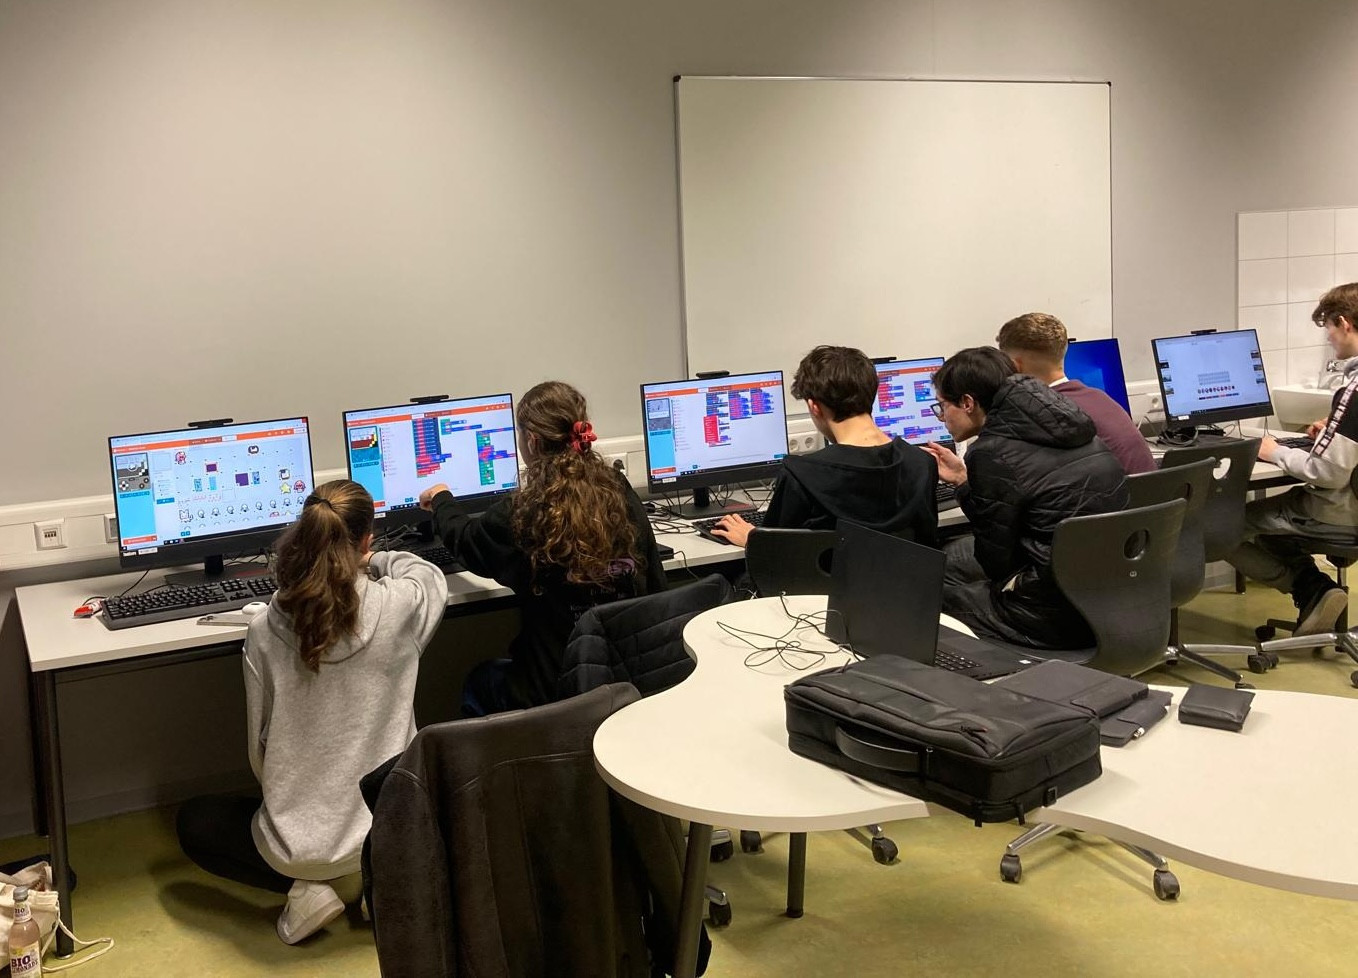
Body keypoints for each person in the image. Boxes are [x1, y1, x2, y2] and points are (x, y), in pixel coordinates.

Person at [176, 479, 448, 945]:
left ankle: (307, 890)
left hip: (295, 846)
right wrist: (378, 559)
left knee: (194, 823)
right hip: (386, 831)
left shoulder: (266, 629)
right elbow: (428, 576)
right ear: (365, 541)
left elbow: (260, 749)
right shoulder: (400, 607)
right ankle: (376, 878)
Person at [419, 380, 665, 715]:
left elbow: (467, 540)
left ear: (532, 441)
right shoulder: (618, 491)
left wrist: (441, 500)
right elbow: (654, 579)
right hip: (628, 682)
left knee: (480, 680)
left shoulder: (526, 511)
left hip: (555, 694)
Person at [923, 347, 1128, 650]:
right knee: (952, 563)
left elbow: (996, 564)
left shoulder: (992, 453)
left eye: (942, 407)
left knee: (926, 592)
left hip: (1052, 615)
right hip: (1108, 595)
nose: (942, 418)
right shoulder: (1073, 424)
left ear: (967, 403)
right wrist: (965, 482)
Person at [709, 345, 939, 548]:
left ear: (814, 407)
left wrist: (753, 539)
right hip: (903, 583)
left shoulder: (802, 475)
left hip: (827, 586)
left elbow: (776, 556)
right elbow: (927, 547)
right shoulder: (922, 463)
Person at [1228, 282, 1358, 635]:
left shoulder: (1354, 390)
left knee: (1223, 527)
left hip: (1337, 513)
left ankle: (1309, 588)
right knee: (1271, 529)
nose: (1329, 338)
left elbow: (1328, 473)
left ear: (1344, 323)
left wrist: (1276, 451)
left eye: (1329, 328)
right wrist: (1333, 429)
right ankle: (1316, 591)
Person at [996, 312, 1155, 476]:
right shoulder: (1100, 397)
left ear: (1015, 366)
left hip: (1117, 492)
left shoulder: (1043, 414)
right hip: (1149, 490)